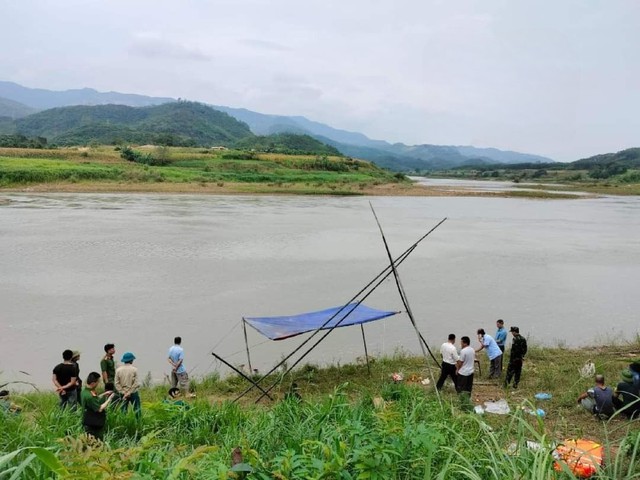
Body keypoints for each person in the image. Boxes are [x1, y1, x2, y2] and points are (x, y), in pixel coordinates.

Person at [81, 371, 114, 440]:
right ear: (93, 383)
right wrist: (109, 399)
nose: (99, 384)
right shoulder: (90, 396)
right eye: (98, 382)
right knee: (95, 439)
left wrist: (104, 394)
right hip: (93, 422)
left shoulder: (84, 391)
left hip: (87, 419)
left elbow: (94, 399)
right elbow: (100, 408)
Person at [115, 352, 141, 418]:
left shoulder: (118, 370)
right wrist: (129, 392)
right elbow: (136, 383)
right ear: (131, 360)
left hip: (122, 393)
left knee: (123, 410)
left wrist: (124, 392)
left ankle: (123, 424)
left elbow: (117, 383)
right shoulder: (134, 369)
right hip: (133, 392)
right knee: (137, 409)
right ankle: (139, 423)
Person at [456, 336, 475, 410]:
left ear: (465, 343)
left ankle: (462, 402)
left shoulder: (463, 351)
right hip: (471, 372)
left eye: (461, 342)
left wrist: (457, 369)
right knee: (468, 387)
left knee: (461, 388)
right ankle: (468, 399)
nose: (460, 343)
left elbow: (460, 362)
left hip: (463, 373)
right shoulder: (472, 350)